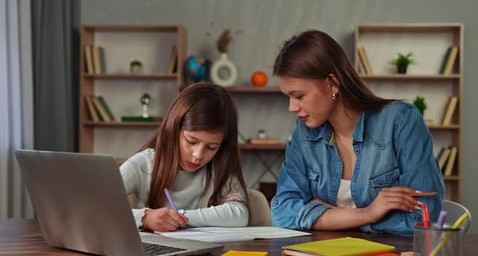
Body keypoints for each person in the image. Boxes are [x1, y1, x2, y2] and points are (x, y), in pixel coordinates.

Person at [270, 30, 445, 236]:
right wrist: (367, 214)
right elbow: (282, 212)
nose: (291, 107)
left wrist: (332, 216)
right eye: (288, 97)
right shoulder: (304, 135)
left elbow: (424, 216)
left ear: (332, 84)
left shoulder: (401, 122)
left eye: (298, 96)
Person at [120, 82, 249, 232]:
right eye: (191, 141)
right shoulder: (144, 164)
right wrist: (145, 218)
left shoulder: (219, 166)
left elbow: (240, 214)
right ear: (173, 129)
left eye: (211, 147)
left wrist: (180, 217)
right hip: (150, 252)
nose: (198, 155)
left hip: (202, 252)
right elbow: (96, 206)